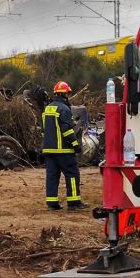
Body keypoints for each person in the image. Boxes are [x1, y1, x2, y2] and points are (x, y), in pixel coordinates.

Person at [42, 81, 88, 210]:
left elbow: (44, 130)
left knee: (52, 177)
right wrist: (75, 145)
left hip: (49, 151)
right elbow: (66, 130)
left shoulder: (47, 108)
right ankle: (74, 203)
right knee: (72, 174)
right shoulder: (64, 109)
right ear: (65, 94)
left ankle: (52, 204)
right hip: (63, 150)